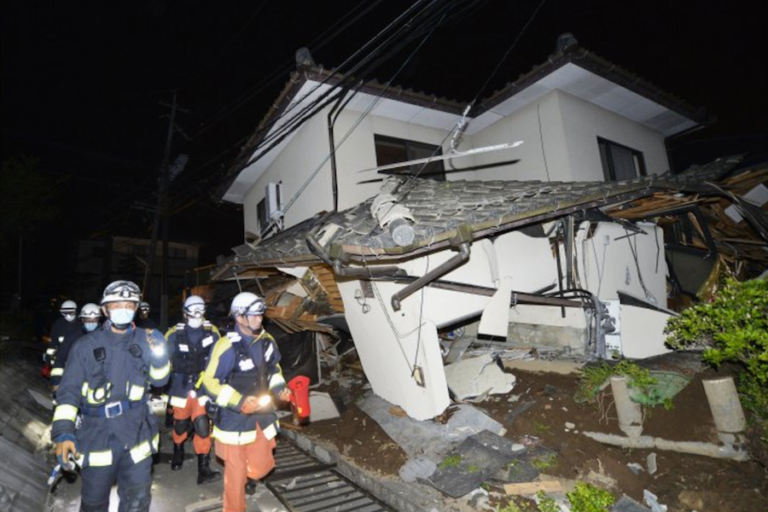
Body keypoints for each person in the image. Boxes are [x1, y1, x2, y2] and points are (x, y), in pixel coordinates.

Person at [51, 280, 170, 512]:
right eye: (116, 304)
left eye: (129, 304)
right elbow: (69, 391)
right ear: (105, 310)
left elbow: (161, 380)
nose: (123, 309)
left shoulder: (148, 339)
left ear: (135, 308)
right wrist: (64, 432)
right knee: (94, 504)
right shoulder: (85, 346)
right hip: (97, 437)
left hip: (137, 433)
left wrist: (159, 356)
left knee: (137, 502)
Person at [202, 292, 290, 512]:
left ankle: (250, 474)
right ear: (240, 318)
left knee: (261, 468)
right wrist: (239, 401)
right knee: (235, 475)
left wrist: (280, 389)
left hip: (261, 416)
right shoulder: (226, 346)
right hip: (234, 422)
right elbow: (209, 383)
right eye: (253, 315)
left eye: (260, 315)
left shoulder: (267, 342)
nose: (259, 319)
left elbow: (274, 371)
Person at [165, 295, 222, 484]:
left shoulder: (212, 333)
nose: (197, 313)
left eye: (200, 309)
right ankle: (178, 451)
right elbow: (163, 362)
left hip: (203, 389)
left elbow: (219, 360)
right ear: (185, 312)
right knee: (180, 425)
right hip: (181, 388)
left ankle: (203, 469)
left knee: (202, 427)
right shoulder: (173, 334)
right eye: (193, 309)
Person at [50, 303, 102, 393]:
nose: (91, 323)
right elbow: (60, 358)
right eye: (88, 320)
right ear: (82, 319)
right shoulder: (73, 336)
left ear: (98, 319)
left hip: (97, 387)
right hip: (73, 382)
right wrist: (56, 382)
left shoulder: (105, 337)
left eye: (94, 320)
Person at [46, 300, 81, 368]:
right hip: (61, 357)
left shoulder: (81, 324)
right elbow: (53, 343)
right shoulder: (58, 324)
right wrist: (48, 358)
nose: (68, 315)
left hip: (77, 358)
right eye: (65, 312)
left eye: (70, 312)